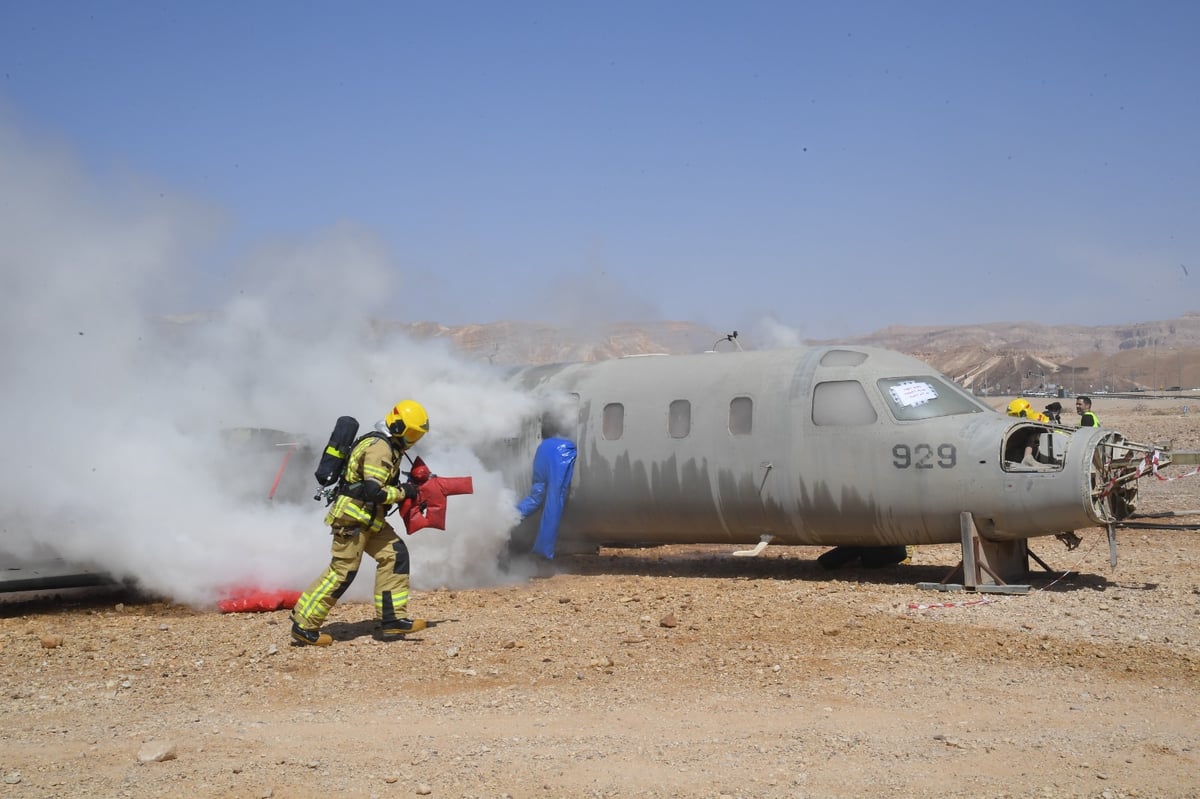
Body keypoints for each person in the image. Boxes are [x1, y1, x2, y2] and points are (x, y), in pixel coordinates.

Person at [290, 400, 431, 647]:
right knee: (342, 572)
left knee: (395, 555)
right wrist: (404, 492)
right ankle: (303, 624)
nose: (413, 439)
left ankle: (393, 620)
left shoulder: (388, 446)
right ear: (397, 426)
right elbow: (373, 491)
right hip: (353, 518)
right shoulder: (380, 448)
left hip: (369, 519)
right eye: (412, 433)